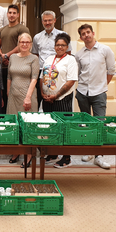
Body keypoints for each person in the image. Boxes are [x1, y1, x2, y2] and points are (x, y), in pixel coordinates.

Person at [75, 23, 116, 169]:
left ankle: (99, 156)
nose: (86, 35)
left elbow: (111, 70)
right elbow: (78, 73)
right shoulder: (79, 54)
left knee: (100, 123)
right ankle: (89, 151)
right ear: (80, 37)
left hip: (99, 93)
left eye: (88, 32)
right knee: (86, 124)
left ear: (93, 33)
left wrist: (102, 86)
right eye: (83, 34)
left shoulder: (105, 50)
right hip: (82, 92)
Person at [41, 33, 78, 168]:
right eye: (57, 45)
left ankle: (66, 157)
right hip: (47, 99)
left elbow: (71, 81)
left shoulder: (70, 60)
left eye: (63, 45)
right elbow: (42, 76)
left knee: (63, 127)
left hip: (62, 99)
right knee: (51, 128)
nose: (60, 47)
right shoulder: (49, 58)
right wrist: (42, 93)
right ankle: (53, 153)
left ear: (67, 47)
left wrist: (56, 96)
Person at [6, 33, 39, 168]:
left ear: (30, 44)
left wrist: (28, 97)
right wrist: (8, 92)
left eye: (27, 42)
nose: (24, 44)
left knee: (28, 126)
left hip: (27, 96)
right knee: (15, 125)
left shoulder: (34, 58)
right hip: (13, 96)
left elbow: (34, 78)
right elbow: (9, 76)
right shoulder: (13, 57)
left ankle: (29, 154)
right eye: (22, 42)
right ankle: (17, 152)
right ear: (18, 43)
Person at [32, 10, 72, 111]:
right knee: (41, 99)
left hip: (58, 72)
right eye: (45, 21)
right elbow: (36, 55)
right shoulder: (37, 37)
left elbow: (68, 53)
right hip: (42, 72)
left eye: (50, 20)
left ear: (54, 20)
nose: (47, 23)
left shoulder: (63, 35)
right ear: (42, 21)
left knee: (58, 100)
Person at [0, 4, 30, 112]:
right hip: (3, 66)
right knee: (3, 94)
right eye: (10, 13)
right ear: (7, 14)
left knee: (15, 93)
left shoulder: (22, 28)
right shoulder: (2, 30)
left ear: (18, 15)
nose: (12, 15)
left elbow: (22, 44)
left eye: (14, 13)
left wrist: (8, 55)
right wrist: (2, 55)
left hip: (17, 66)